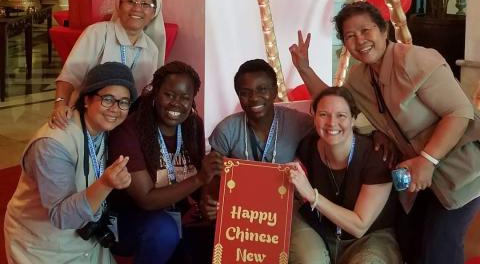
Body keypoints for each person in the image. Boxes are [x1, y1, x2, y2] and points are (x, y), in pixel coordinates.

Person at [290, 1, 480, 264]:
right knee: (409, 242)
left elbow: (459, 112)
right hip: (417, 177)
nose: (360, 41)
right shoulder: (360, 75)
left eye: (365, 31)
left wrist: (428, 159)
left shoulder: (417, 60)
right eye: (350, 36)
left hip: (459, 172)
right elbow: (335, 105)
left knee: (440, 248)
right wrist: (304, 68)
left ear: (383, 30)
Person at [4, 62, 136, 263]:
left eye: (124, 102)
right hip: (42, 245)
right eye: (107, 99)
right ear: (86, 100)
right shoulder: (52, 144)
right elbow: (61, 216)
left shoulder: (105, 130)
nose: (115, 109)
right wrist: (106, 184)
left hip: (86, 239)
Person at [108, 61, 224, 264]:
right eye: (169, 95)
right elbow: (146, 200)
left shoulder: (193, 126)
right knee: (163, 230)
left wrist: (208, 204)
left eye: (185, 98)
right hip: (129, 221)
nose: (176, 103)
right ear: (154, 93)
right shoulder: (129, 131)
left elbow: (199, 183)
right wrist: (199, 179)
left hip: (177, 216)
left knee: (214, 229)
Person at [288, 86, 402, 264]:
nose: (331, 123)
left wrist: (312, 195)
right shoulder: (307, 146)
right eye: (323, 114)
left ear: (354, 119)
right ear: (314, 116)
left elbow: (359, 226)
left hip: (369, 238)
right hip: (323, 231)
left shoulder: (377, 155)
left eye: (341, 115)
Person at [202, 58, 313, 219]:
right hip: (241, 210)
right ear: (238, 95)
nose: (254, 98)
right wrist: (209, 203)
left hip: (285, 208)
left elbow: (328, 127)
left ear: (274, 91)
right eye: (245, 93)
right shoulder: (226, 130)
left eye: (262, 89)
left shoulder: (298, 122)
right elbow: (211, 179)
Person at [50, 0, 165, 128]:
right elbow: (70, 75)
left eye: (145, 4)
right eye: (131, 1)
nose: (137, 9)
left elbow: (146, 94)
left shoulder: (151, 49)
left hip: (126, 121)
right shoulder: (97, 33)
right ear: (119, 5)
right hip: (88, 119)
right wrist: (60, 105)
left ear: (154, 12)